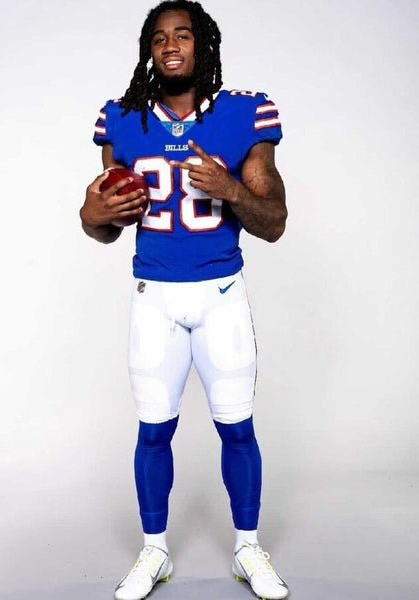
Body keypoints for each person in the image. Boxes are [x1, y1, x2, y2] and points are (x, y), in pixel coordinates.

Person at [79, 1, 288, 599]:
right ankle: (155, 552)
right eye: (159, 37)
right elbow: (105, 225)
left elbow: (274, 222)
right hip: (154, 298)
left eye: (183, 35)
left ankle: (248, 548)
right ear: (149, 50)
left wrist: (230, 190)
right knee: (152, 432)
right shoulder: (121, 119)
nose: (171, 45)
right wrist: (91, 214)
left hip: (221, 295)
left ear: (204, 45)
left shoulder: (244, 112)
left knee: (238, 429)